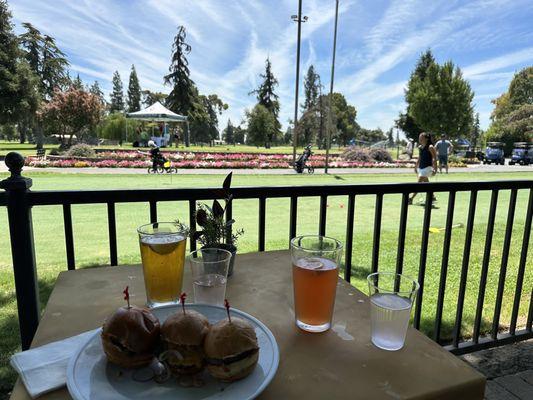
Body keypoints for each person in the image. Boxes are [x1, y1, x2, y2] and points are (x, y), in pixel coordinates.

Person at [408, 132, 437, 206]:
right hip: (421, 167)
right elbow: (420, 158)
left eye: (421, 138)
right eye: (419, 137)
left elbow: (434, 158)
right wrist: (416, 166)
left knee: (419, 181)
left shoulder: (430, 147)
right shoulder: (420, 147)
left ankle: (411, 198)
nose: (419, 139)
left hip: (428, 167)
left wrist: (435, 169)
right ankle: (432, 196)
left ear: (426, 139)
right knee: (426, 182)